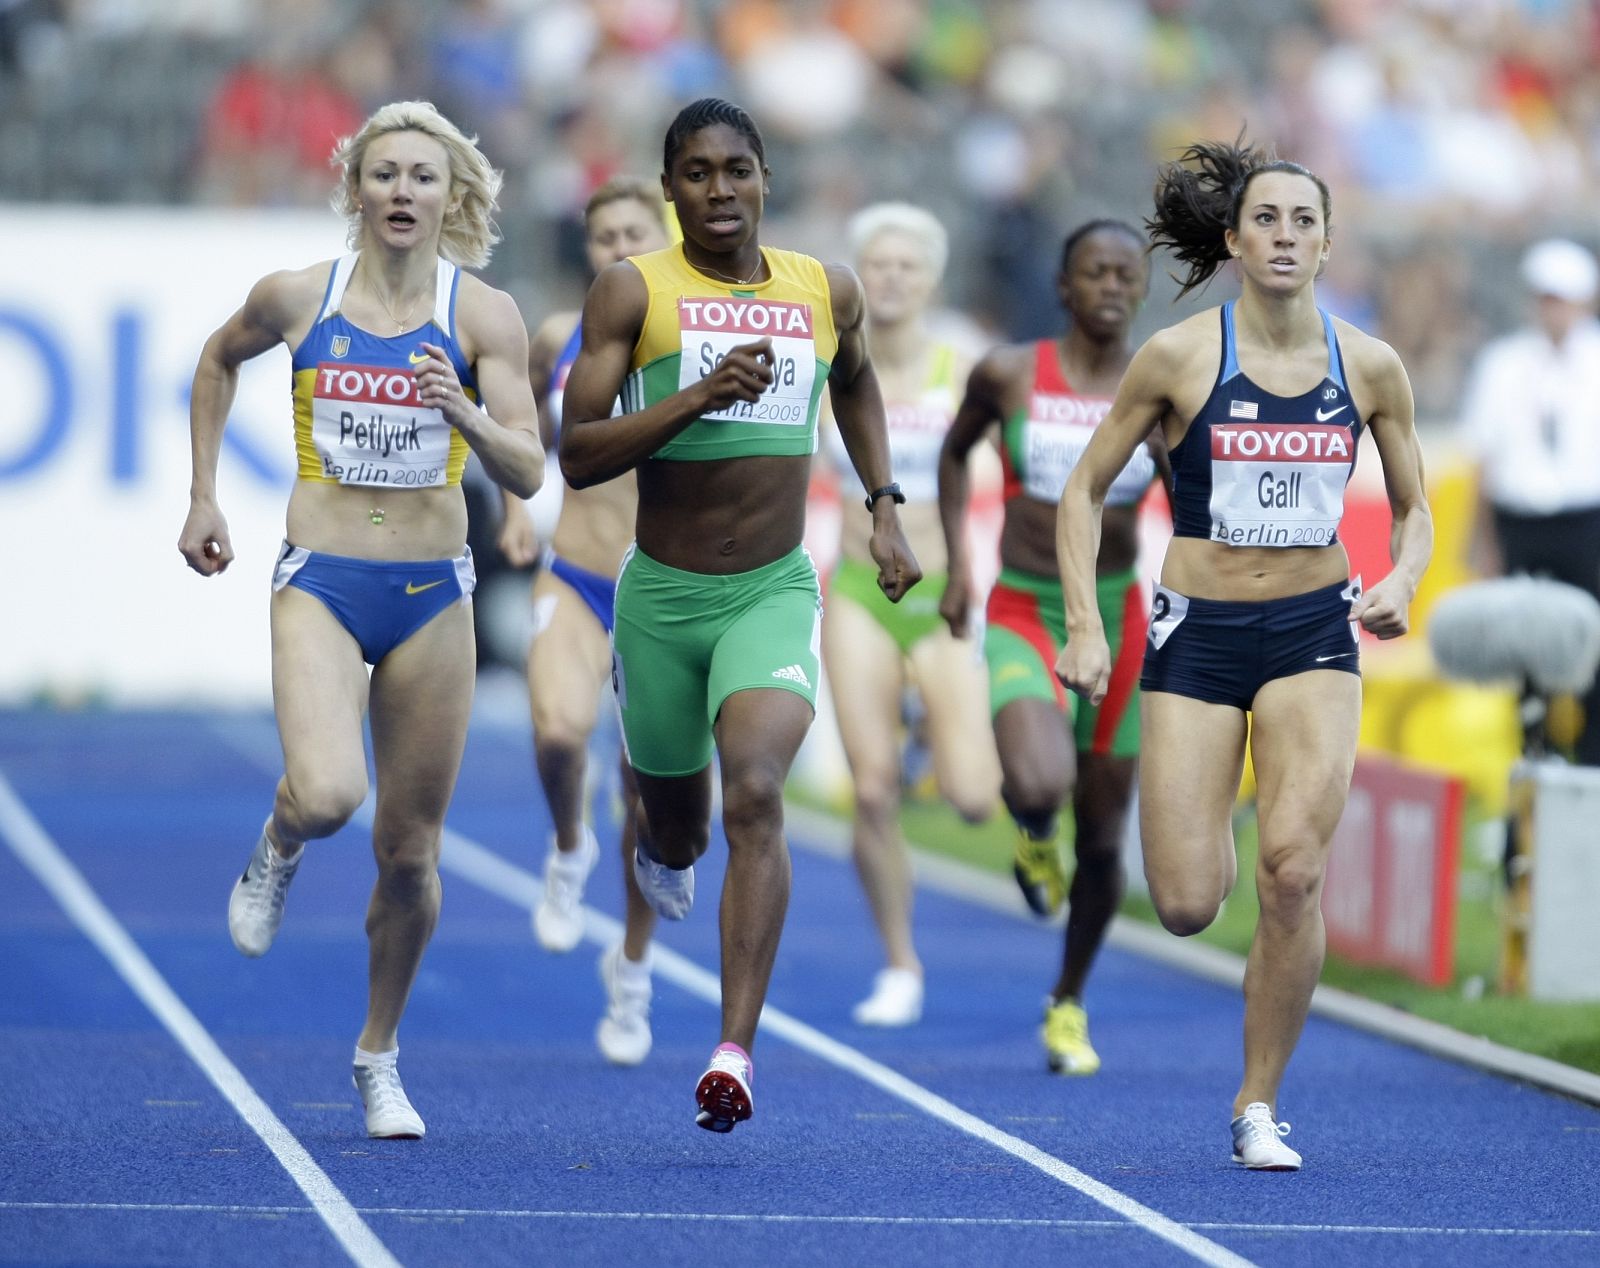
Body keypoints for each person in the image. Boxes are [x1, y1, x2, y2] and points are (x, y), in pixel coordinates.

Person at [1055, 139, 1432, 1169]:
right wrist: (1086, 624)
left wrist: (1402, 579)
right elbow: (1083, 489)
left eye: (1304, 221)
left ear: (1327, 244)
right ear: (1232, 239)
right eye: (1266, 219)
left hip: (1313, 630)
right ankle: (1213, 815)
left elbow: (1414, 510)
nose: (1285, 237)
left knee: (1294, 871)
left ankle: (1257, 1102)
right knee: (1185, 902)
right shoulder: (1178, 357)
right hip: (1199, 631)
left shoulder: (1369, 366)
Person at [178, 100, 544, 1139]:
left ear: (451, 195)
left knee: (411, 851)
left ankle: (378, 1054)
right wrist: (203, 495)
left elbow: (529, 464)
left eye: (423, 176)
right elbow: (216, 360)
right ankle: (280, 837)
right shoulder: (300, 296)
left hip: (432, 594)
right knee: (332, 791)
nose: (402, 192)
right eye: (384, 174)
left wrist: (465, 412)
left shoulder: (484, 317)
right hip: (323, 580)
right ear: (356, 189)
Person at [558, 97, 919, 1133]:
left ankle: (733, 1050)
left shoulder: (824, 288)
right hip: (662, 600)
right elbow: (577, 452)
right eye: (698, 173)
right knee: (679, 832)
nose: (721, 190)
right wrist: (696, 395)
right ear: (670, 190)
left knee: (756, 790)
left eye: (738, 170)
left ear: (766, 179)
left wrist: (883, 506)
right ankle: (658, 840)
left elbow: (857, 385)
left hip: (771, 587)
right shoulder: (634, 291)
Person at [938, 220, 1166, 1076]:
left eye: (1126, 274)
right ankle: (1034, 831)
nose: (1111, 286)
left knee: (1104, 840)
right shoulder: (1007, 373)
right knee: (1041, 781)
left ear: (1141, 289)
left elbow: (1194, 503)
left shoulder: (1160, 387)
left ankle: (1068, 1001)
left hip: (1119, 615)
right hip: (1026, 605)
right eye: (1094, 273)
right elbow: (954, 455)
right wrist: (958, 564)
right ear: (1065, 287)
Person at [496, 176, 673, 1065]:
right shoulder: (560, 336)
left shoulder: (694, 335)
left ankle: (632, 968)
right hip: (576, 572)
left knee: (650, 800)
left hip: (665, 592)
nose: (618, 248)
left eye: (634, 232)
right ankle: (570, 844)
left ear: (665, 237)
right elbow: (519, 424)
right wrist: (514, 506)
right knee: (560, 735)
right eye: (604, 236)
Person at [820, 202, 1001, 1029]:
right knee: (872, 788)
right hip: (859, 590)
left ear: (932, 280)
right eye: (878, 265)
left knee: (973, 797)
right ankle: (900, 962)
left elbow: (1008, 469)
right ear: (857, 276)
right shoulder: (828, 362)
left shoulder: (965, 368)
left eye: (908, 266)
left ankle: (944, 731)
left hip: (939, 597)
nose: (891, 280)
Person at [1460, 237, 1600, 766]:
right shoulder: (1504, 364)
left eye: (1561, 299)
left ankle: (1590, 761)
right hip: (1521, 522)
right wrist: (1484, 542)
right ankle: (1535, 759)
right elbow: (1484, 460)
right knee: (1526, 649)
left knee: (1591, 643)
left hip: (1587, 523)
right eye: (1545, 298)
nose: (1553, 310)